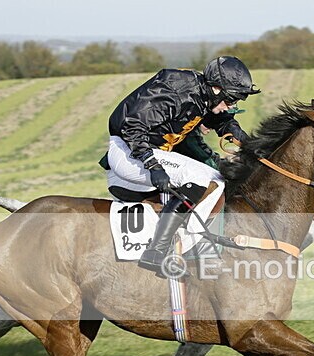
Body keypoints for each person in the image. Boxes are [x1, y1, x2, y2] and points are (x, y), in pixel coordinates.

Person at [104, 56, 260, 274]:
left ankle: (187, 244)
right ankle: (157, 251)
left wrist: (247, 142)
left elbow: (221, 119)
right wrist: (153, 165)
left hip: (147, 152)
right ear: (216, 89)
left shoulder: (204, 96)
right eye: (231, 99)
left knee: (217, 181)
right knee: (201, 178)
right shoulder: (177, 87)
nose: (232, 106)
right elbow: (132, 126)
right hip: (129, 153)